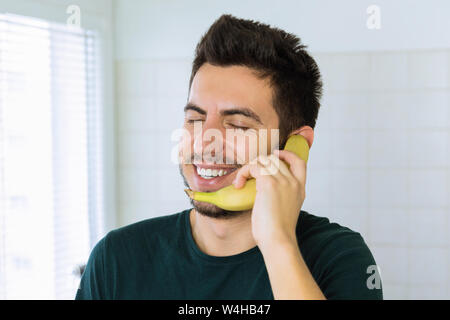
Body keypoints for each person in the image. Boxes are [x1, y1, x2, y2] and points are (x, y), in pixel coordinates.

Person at [76, 14, 383, 300]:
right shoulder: (115, 258)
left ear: (294, 146)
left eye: (237, 124)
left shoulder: (341, 259)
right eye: (195, 119)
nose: (205, 143)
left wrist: (277, 241)